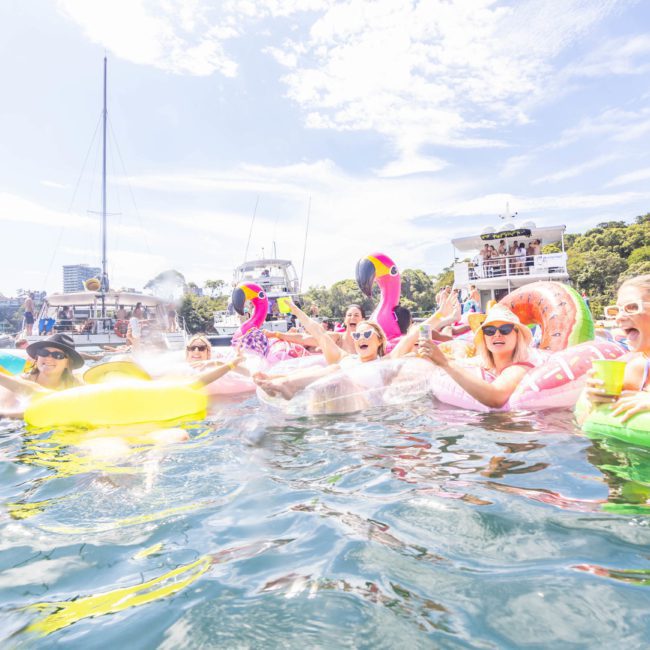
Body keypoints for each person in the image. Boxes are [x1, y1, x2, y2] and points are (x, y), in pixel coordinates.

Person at [417, 305, 534, 408]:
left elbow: (495, 397)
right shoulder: (484, 363)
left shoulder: (520, 369)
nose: (497, 334)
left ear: (517, 335)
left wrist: (445, 363)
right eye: (490, 330)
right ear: (484, 338)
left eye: (505, 329)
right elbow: (460, 363)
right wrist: (434, 358)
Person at [582, 275, 650, 422]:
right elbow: (584, 427)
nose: (619, 317)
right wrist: (593, 403)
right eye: (616, 310)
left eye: (631, 307)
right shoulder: (633, 369)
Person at [0, 334, 84, 417]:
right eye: (43, 352)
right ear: (37, 358)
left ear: (68, 363)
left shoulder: (76, 385)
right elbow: (5, 416)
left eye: (58, 355)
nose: (48, 358)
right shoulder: (16, 383)